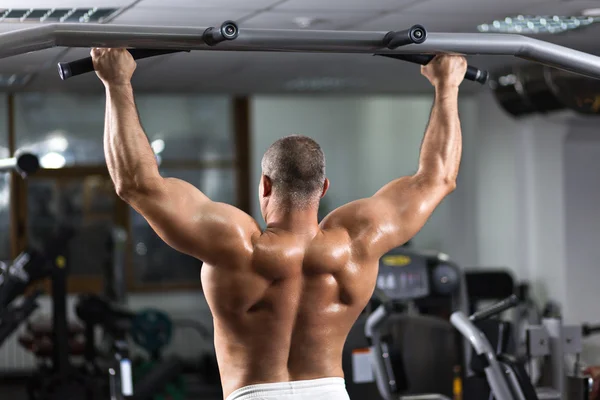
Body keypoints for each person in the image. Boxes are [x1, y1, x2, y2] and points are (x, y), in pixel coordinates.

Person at [91, 48, 467, 400]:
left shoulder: (235, 245)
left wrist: (117, 82)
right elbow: (438, 179)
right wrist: (447, 84)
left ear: (266, 185)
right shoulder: (357, 242)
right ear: (323, 189)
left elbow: (136, 184)